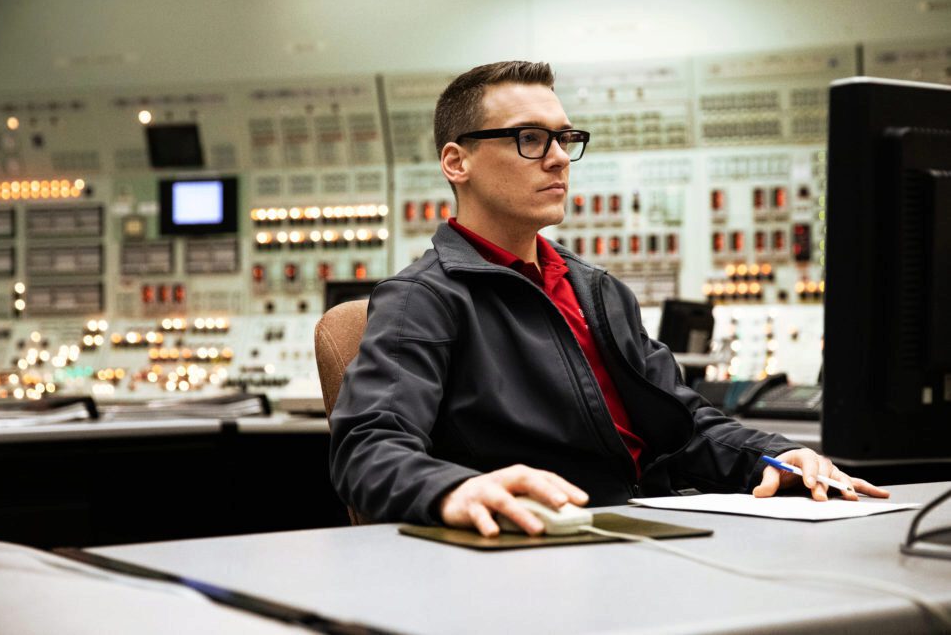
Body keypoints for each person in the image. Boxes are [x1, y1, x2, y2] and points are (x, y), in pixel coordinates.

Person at [328, 61, 888, 537]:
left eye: (564, 139)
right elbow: (369, 448)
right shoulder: (421, 299)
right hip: (548, 547)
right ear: (457, 162)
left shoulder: (596, 290)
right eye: (529, 138)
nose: (556, 159)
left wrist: (774, 454)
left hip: (651, 526)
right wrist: (453, 490)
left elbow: (686, 425)